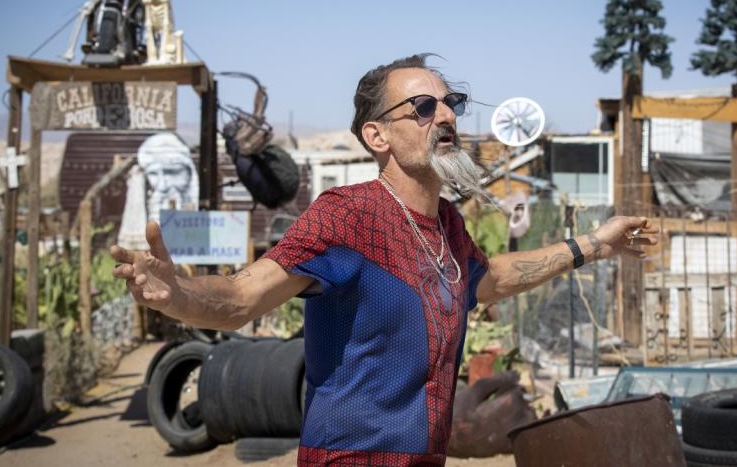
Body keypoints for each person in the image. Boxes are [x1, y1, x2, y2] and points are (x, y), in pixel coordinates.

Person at [112, 54, 657, 466]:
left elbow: (489, 280)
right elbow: (241, 298)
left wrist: (595, 245)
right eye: (423, 107)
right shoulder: (346, 216)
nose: (445, 115)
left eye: (451, 103)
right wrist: (179, 294)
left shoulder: (447, 225)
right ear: (377, 135)